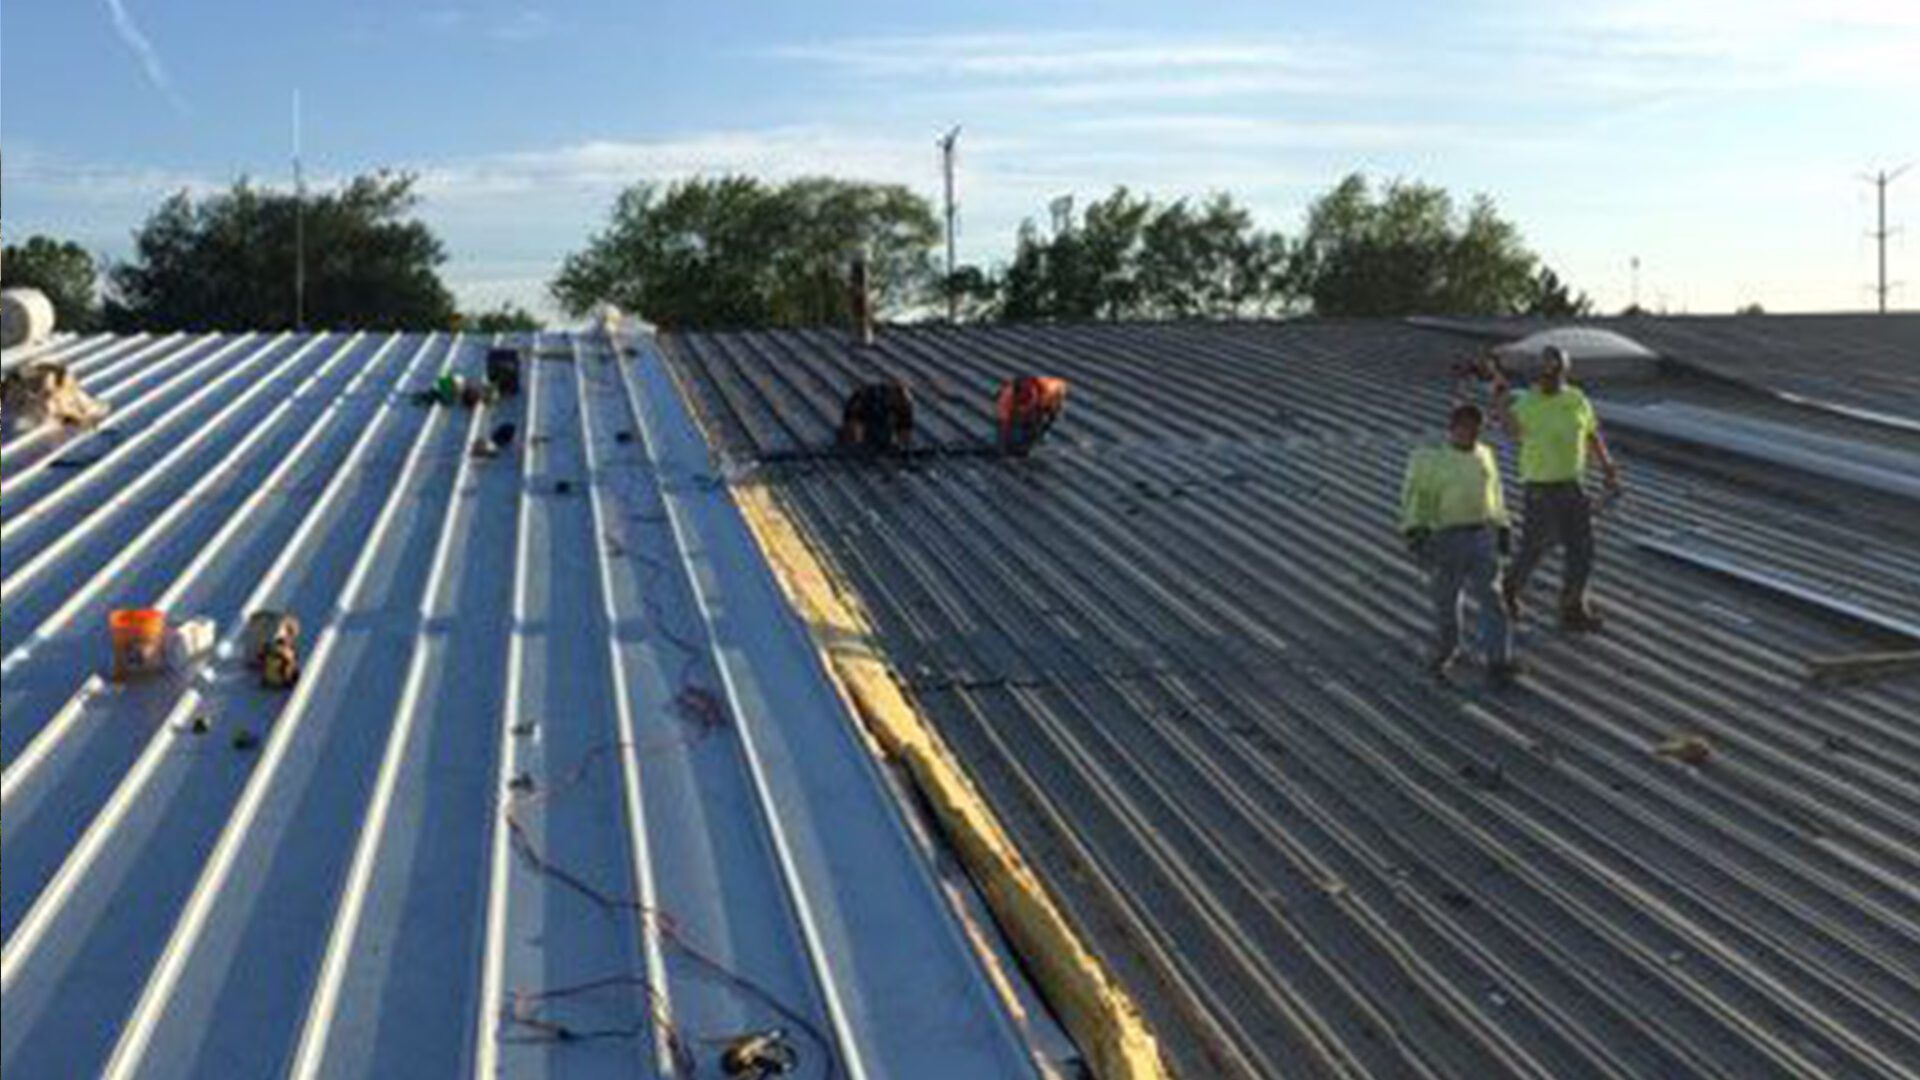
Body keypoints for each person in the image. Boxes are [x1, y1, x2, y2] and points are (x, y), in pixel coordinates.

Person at [1493, 345, 1622, 632]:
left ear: (1564, 371)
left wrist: (1608, 467)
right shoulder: (1527, 402)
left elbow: (1591, 434)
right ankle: (1508, 589)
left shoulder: (1577, 399)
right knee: (1535, 548)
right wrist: (1502, 406)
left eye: (1556, 371)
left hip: (1572, 484)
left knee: (1582, 548)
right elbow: (1513, 433)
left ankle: (1572, 608)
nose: (1550, 376)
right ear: (1539, 373)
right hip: (1540, 488)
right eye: (1546, 371)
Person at [1400, 403, 1520, 683]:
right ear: (1452, 428)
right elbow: (1416, 496)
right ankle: (1444, 654)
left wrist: (1503, 525)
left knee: (1493, 599)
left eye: (1477, 429)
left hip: (1481, 535)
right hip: (1445, 537)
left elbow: (1495, 493)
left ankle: (1498, 660)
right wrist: (1414, 528)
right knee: (1447, 602)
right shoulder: (1429, 459)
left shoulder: (1484, 455)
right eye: (1466, 428)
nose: (1472, 434)